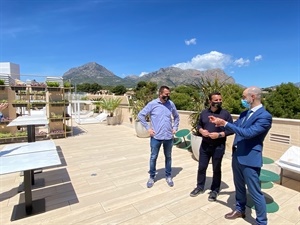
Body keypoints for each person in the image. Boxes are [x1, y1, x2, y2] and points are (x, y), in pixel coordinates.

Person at [208, 86, 272, 225]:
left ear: (252, 97)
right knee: (239, 186)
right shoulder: (244, 114)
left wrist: (225, 123)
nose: (242, 99)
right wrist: (220, 123)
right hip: (237, 155)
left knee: (255, 192)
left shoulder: (264, 116)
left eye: (244, 97)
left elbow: (248, 133)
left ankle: (262, 221)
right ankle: (239, 209)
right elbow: (234, 127)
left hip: (250, 158)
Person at [190, 92, 233, 201]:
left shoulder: (225, 114)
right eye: (216, 100)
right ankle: (200, 187)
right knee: (202, 167)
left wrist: (219, 135)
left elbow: (231, 129)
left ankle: (215, 190)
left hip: (218, 146)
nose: (219, 101)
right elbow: (199, 125)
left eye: (220, 99)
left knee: (216, 169)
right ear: (210, 101)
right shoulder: (204, 113)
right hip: (205, 145)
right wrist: (201, 130)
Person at [138, 85, 179, 188]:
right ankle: (152, 177)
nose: (168, 96)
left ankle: (168, 176)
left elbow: (176, 116)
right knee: (153, 157)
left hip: (168, 137)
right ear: (160, 94)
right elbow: (141, 115)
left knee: (168, 157)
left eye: (169, 94)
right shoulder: (152, 104)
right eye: (166, 94)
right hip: (156, 137)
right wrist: (148, 128)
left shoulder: (171, 104)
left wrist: (175, 128)